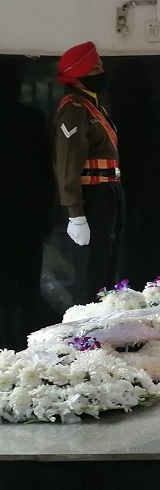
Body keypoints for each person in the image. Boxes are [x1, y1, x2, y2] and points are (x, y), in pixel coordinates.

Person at [53, 41, 126, 306]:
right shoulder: (74, 110)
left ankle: (105, 330)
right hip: (92, 199)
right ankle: (85, 339)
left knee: (108, 269)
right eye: (95, 66)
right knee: (91, 275)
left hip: (108, 193)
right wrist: (76, 214)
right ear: (78, 74)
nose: (102, 69)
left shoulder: (93, 107)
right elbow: (67, 164)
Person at [0, 57, 56, 349]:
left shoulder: (32, 118)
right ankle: (22, 343)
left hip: (21, 218)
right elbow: (44, 172)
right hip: (26, 217)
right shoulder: (31, 119)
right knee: (25, 284)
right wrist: (47, 215)